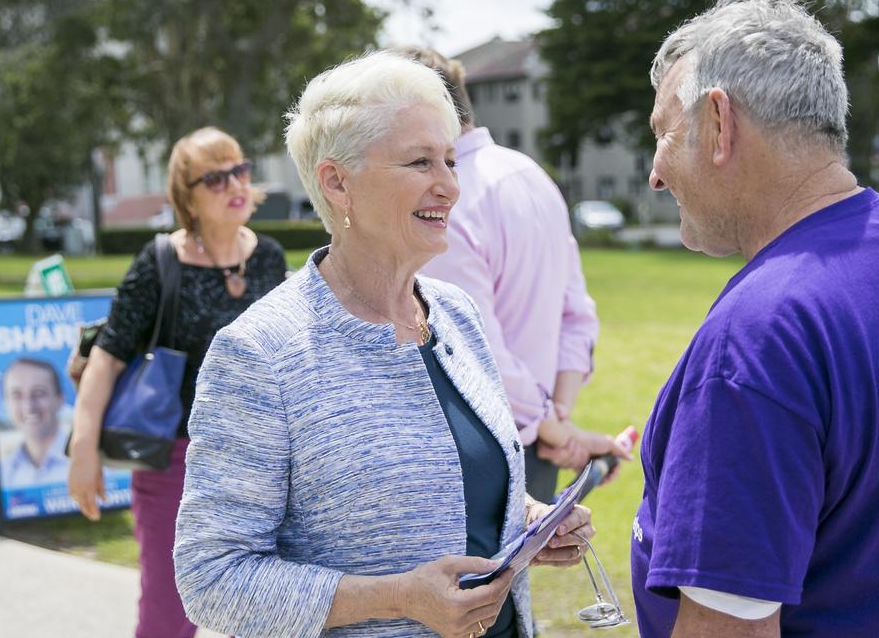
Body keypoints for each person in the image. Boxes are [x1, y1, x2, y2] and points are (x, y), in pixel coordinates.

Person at [174, 52, 596, 638]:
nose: (449, 186)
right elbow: (211, 578)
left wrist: (526, 523)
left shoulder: (456, 314)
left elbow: (459, 486)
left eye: (450, 159)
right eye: (420, 162)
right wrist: (397, 597)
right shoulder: (260, 354)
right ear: (336, 182)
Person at [631, 0, 879, 637]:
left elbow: (733, 628)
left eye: (664, 133)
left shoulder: (759, 338)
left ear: (720, 124)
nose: (655, 175)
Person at [67, 127, 287, 638]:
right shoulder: (160, 261)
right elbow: (107, 357)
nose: (234, 183)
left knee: (265, 613)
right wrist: (83, 446)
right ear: (186, 195)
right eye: (214, 177)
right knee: (169, 616)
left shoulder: (271, 259)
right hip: (175, 462)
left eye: (240, 169)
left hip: (263, 462)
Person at [393, 46, 630, 503]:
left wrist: (549, 421)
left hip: (479, 446)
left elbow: (472, 347)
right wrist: (555, 414)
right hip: (534, 431)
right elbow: (577, 315)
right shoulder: (531, 173)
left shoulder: (444, 202)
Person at [0, 357, 68, 487]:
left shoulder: (90, 464)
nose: (28, 407)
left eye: (39, 393)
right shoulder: (4, 472)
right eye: (17, 395)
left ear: (59, 400)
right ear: (6, 404)